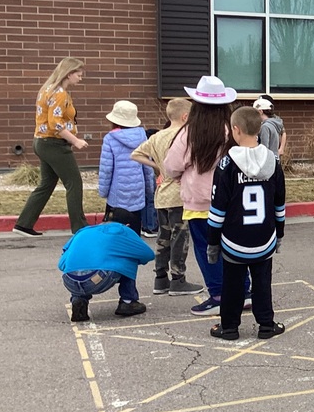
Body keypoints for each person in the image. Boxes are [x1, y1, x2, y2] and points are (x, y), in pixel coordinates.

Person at [163, 75, 249, 316]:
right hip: (232, 200)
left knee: (207, 249)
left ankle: (219, 295)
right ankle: (244, 291)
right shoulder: (233, 130)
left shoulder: (189, 133)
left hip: (200, 202)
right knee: (236, 248)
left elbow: (171, 166)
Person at [205, 107, 286, 340]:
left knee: (232, 284)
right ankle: (266, 325)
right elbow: (279, 204)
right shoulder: (273, 162)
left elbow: (218, 209)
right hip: (265, 237)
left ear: (236, 130)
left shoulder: (226, 164)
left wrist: (213, 242)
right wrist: (279, 234)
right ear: (259, 129)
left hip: (234, 239)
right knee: (262, 283)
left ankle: (229, 327)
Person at [131, 98, 202, 296]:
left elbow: (135, 154)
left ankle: (160, 278)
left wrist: (157, 167)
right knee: (180, 237)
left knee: (163, 237)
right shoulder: (186, 135)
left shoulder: (157, 137)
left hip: (162, 195)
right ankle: (178, 278)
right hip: (179, 194)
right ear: (185, 116)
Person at [14, 57, 89, 236]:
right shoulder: (60, 93)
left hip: (41, 142)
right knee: (74, 183)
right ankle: (80, 228)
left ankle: (23, 224)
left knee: (47, 184)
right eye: (79, 75)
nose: (80, 78)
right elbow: (55, 123)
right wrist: (75, 140)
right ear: (69, 74)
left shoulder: (47, 89)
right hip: (54, 144)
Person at [60, 214, 154, 322]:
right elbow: (148, 254)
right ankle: (128, 301)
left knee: (78, 265)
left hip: (70, 280)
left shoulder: (83, 231)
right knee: (130, 257)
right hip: (97, 278)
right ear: (127, 225)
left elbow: (62, 263)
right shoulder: (122, 230)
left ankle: (78, 299)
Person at [97, 100, 155, 235]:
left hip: (117, 193)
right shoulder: (142, 136)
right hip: (137, 191)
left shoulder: (110, 139)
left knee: (115, 231)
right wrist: (149, 188)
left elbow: (106, 169)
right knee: (135, 228)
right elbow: (147, 166)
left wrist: (103, 191)